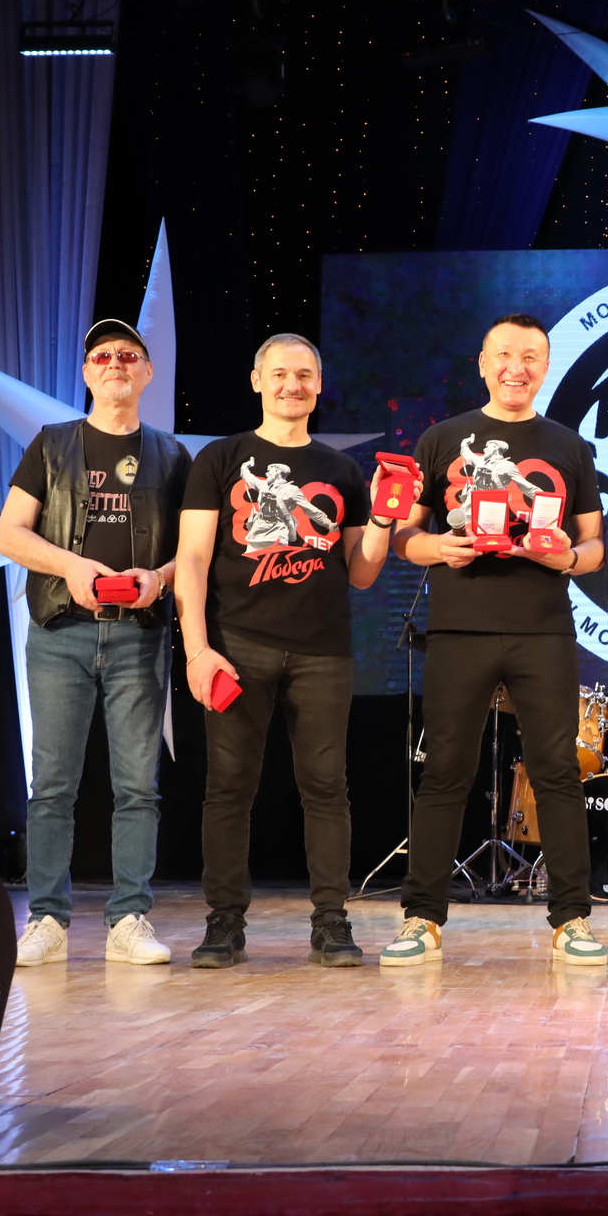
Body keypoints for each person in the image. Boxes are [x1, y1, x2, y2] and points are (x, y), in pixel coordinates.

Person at [381, 314, 608, 968]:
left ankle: (571, 919)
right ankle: (422, 918)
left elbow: (595, 545)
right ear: (483, 364)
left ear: (546, 366)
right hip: (460, 628)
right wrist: (438, 548)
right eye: (504, 354)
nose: (517, 366)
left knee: (557, 774)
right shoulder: (441, 439)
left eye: (530, 356)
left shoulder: (568, 446)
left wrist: (567, 557)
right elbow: (404, 536)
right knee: (444, 773)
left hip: (543, 629)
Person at [174, 333, 392, 969]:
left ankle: (331, 921)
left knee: (326, 787)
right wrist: (197, 650)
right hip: (237, 645)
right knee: (228, 787)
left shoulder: (341, 471)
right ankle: (224, 923)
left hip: (323, 651)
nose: (292, 385)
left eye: (304, 375)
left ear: (318, 386)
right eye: (279, 374)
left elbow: (361, 573)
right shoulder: (221, 458)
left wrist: (383, 519)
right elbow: (192, 559)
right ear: (256, 380)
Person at [2, 318, 192, 968]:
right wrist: (72, 566)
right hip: (61, 632)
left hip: (138, 636)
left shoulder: (171, 456)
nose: (115, 363)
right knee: (52, 784)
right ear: (86, 372)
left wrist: (157, 579)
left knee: (137, 786)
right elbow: (10, 534)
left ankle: (129, 918)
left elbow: (195, 551)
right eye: (103, 355)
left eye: (128, 355)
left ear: (147, 372)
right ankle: (46, 920)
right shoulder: (52, 445)